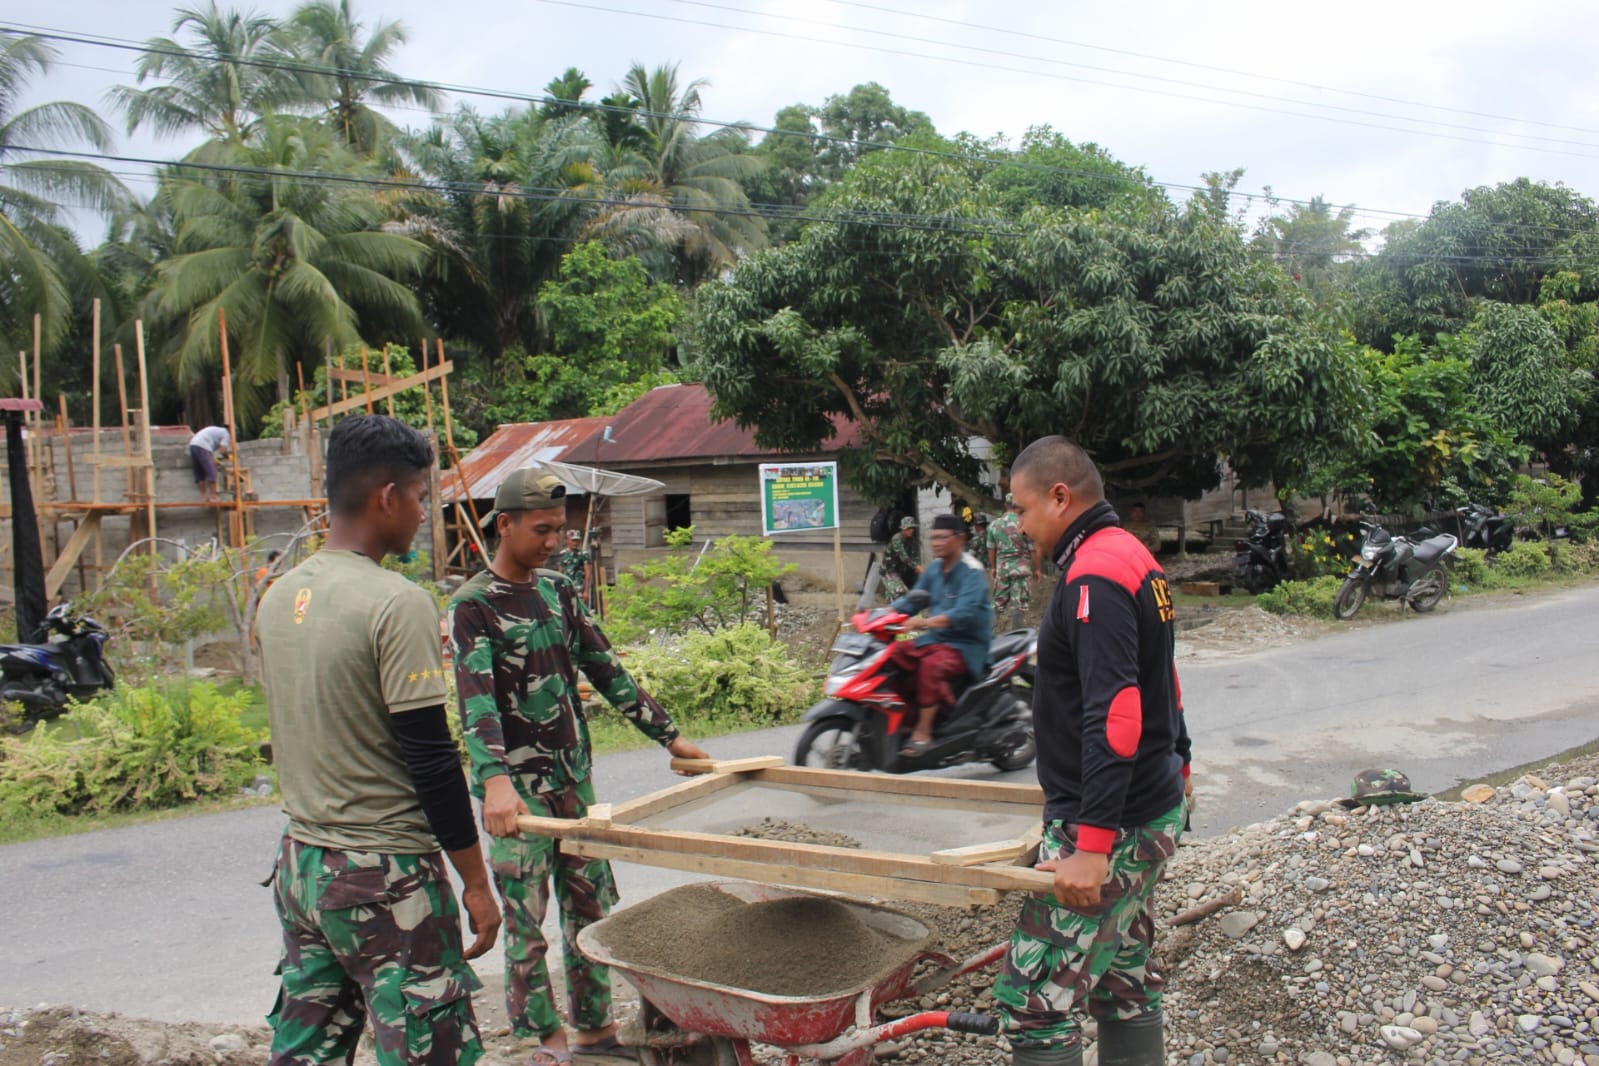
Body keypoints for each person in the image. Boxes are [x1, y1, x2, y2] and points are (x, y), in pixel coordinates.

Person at [255, 414, 500, 1066]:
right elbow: (430, 754)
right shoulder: (397, 603)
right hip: (385, 879)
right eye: (421, 496)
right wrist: (475, 882)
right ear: (386, 496)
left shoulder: (279, 598)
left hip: (302, 866)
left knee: (306, 1051)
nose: (424, 513)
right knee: (430, 1049)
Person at [448, 468, 711, 1066]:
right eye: (541, 531)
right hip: (518, 795)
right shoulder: (472, 606)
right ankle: (546, 1040)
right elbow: (476, 700)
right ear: (505, 524)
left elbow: (604, 666)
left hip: (573, 780)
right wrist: (494, 784)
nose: (553, 543)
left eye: (559, 532)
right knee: (526, 919)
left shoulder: (556, 591)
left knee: (593, 906)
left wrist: (671, 738)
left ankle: (595, 1032)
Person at [995, 436, 1192, 1066]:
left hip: (1109, 824)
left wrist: (1092, 848)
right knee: (1123, 976)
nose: (1019, 527)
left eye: (1021, 510)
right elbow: (1164, 675)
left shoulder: (1094, 577)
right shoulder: (1129, 554)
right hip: (1147, 804)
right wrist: (1181, 765)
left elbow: (1118, 714)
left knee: (1034, 999)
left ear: (1060, 497)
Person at [887, 514, 992, 756]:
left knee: (930, 666)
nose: (936, 543)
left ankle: (923, 731)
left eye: (942, 537)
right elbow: (915, 599)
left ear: (960, 539)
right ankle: (906, 718)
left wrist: (922, 623)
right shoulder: (934, 569)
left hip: (966, 645)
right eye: (933, 538)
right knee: (894, 654)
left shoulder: (973, 572)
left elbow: (963, 614)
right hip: (936, 640)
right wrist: (885, 613)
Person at [987, 496, 1039, 630]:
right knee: (1018, 605)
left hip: (1002, 570)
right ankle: (1017, 638)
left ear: (1006, 505)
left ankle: (988, 636)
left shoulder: (995, 524)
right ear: (1018, 505)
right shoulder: (1024, 524)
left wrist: (993, 568)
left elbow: (991, 548)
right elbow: (1033, 549)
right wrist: (1037, 569)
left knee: (997, 604)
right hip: (1021, 570)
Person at [881, 515, 922, 602]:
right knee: (901, 593)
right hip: (889, 571)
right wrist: (916, 567)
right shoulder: (897, 539)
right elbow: (904, 557)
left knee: (906, 595)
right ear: (903, 529)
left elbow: (915, 557)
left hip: (901, 571)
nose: (912, 530)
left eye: (913, 528)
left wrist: (918, 567)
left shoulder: (912, 541)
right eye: (909, 528)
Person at [188, 425, 230, 502]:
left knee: (199, 473)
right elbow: (222, 449)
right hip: (203, 446)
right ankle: (213, 497)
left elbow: (219, 448)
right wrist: (228, 457)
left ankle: (203, 497)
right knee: (212, 472)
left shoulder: (216, 430)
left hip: (192, 446)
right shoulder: (226, 433)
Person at [554, 529, 592, 598]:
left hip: (579, 587)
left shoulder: (583, 554)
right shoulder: (563, 554)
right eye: (573, 540)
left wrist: (586, 591)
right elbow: (560, 573)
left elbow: (588, 574)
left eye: (577, 540)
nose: (575, 543)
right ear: (567, 541)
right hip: (566, 587)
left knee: (579, 607)